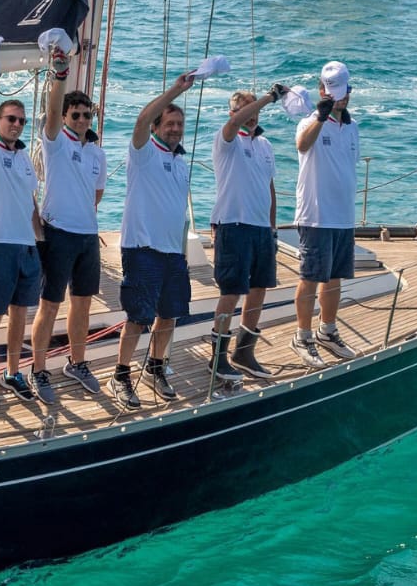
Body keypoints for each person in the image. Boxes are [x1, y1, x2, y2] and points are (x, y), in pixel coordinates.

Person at [111, 72, 197, 408]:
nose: (175, 129)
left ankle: (156, 366)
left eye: (179, 124)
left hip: (172, 252)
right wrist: (177, 89)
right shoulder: (144, 153)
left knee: (170, 314)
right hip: (142, 249)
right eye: (169, 123)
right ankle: (120, 374)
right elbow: (142, 118)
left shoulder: (181, 162)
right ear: (158, 127)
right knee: (138, 318)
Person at [29, 51, 107, 401]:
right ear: (64, 117)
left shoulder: (97, 152)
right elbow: (51, 113)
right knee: (50, 305)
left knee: (83, 303)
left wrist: (83, 219)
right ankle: (38, 370)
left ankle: (77, 363)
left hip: (87, 236)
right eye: (75, 115)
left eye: (86, 115)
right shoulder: (55, 142)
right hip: (58, 233)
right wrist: (60, 76)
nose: (81, 120)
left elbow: (97, 195)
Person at [0, 70, 43, 409]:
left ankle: (12, 372)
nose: (16, 124)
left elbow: (31, 202)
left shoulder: (24, 156)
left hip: (26, 246)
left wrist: (40, 239)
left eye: (21, 121)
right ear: (0, 120)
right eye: (11, 119)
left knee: (19, 314)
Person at [209, 85, 286, 383]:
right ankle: (217, 359)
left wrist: (273, 228)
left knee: (259, 289)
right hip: (233, 224)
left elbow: (269, 188)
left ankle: (243, 352)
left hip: (260, 229)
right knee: (231, 291)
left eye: (254, 110)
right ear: (234, 113)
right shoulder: (226, 139)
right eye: (246, 110)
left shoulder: (265, 146)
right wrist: (267, 99)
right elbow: (233, 125)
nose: (252, 116)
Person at [293, 61, 362, 366]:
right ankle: (302, 336)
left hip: (343, 215)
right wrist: (320, 117)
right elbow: (302, 144)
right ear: (321, 90)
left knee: (335, 277)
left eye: (342, 92)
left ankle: (327, 330)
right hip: (316, 215)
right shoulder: (309, 122)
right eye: (331, 92)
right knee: (310, 277)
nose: (338, 97)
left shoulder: (352, 126)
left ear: (349, 90)